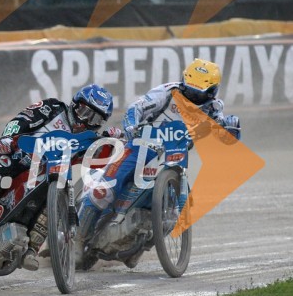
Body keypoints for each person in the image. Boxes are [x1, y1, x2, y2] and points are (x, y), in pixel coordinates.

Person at [73, 59, 241, 269]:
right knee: (104, 190)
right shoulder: (166, 93)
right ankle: (76, 241)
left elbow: (224, 137)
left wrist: (231, 127)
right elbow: (137, 107)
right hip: (140, 146)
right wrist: (131, 125)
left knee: (173, 213)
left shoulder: (213, 108)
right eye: (189, 90)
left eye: (199, 94)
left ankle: (139, 245)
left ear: (212, 91)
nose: (192, 97)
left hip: (174, 155)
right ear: (183, 81)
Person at [0, 84, 117, 279]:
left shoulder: (87, 139)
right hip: (13, 157)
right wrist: (8, 137)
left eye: (95, 119)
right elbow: (21, 119)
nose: (86, 121)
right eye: (84, 112)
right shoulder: (52, 108)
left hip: (44, 174)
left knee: (51, 199)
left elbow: (97, 160)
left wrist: (110, 140)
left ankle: (32, 248)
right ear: (75, 105)